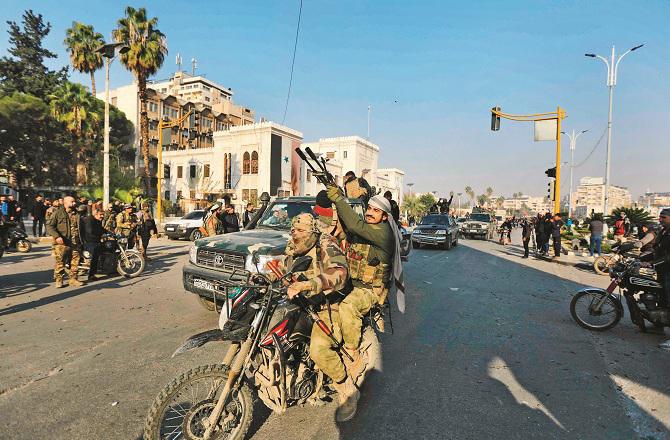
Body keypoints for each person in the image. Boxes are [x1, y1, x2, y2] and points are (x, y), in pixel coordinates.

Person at [277, 213, 357, 421]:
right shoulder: (294, 246)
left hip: (329, 305)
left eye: (301, 231)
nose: (295, 235)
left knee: (318, 349)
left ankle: (346, 388)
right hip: (302, 302)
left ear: (312, 232)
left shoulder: (325, 245)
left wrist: (309, 284)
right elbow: (282, 266)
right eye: (293, 231)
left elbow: (339, 273)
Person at [327, 188, 404, 388]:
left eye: (375, 211)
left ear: (385, 217)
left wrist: (339, 198)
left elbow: (354, 223)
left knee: (348, 307)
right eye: (368, 208)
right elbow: (349, 228)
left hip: (371, 291)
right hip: (352, 283)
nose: (369, 212)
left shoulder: (382, 233)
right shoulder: (369, 229)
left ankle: (353, 353)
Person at [643, 209, 670, 350]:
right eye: (659, 217)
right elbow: (656, 251)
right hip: (662, 270)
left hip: (668, 271)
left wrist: (652, 263)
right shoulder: (663, 232)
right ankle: (659, 324)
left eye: (663, 217)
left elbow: (667, 257)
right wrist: (640, 259)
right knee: (662, 299)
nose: (660, 219)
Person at [46, 196, 84, 288]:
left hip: (76, 242)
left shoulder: (77, 213)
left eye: (74, 201)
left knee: (75, 262)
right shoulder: (57, 213)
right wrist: (57, 236)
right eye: (72, 201)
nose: (74, 203)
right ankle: (59, 280)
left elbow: (81, 227)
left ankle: (73, 279)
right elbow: (49, 226)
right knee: (60, 262)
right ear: (65, 203)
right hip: (62, 242)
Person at [81, 208, 104, 280]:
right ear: (95, 214)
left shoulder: (98, 220)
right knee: (94, 257)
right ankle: (91, 275)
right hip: (89, 242)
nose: (102, 216)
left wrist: (110, 233)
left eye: (102, 215)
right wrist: (101, 234)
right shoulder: (89, 220)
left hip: (96, 241)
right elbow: (90, 231)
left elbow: (101, 229)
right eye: (100, 215)